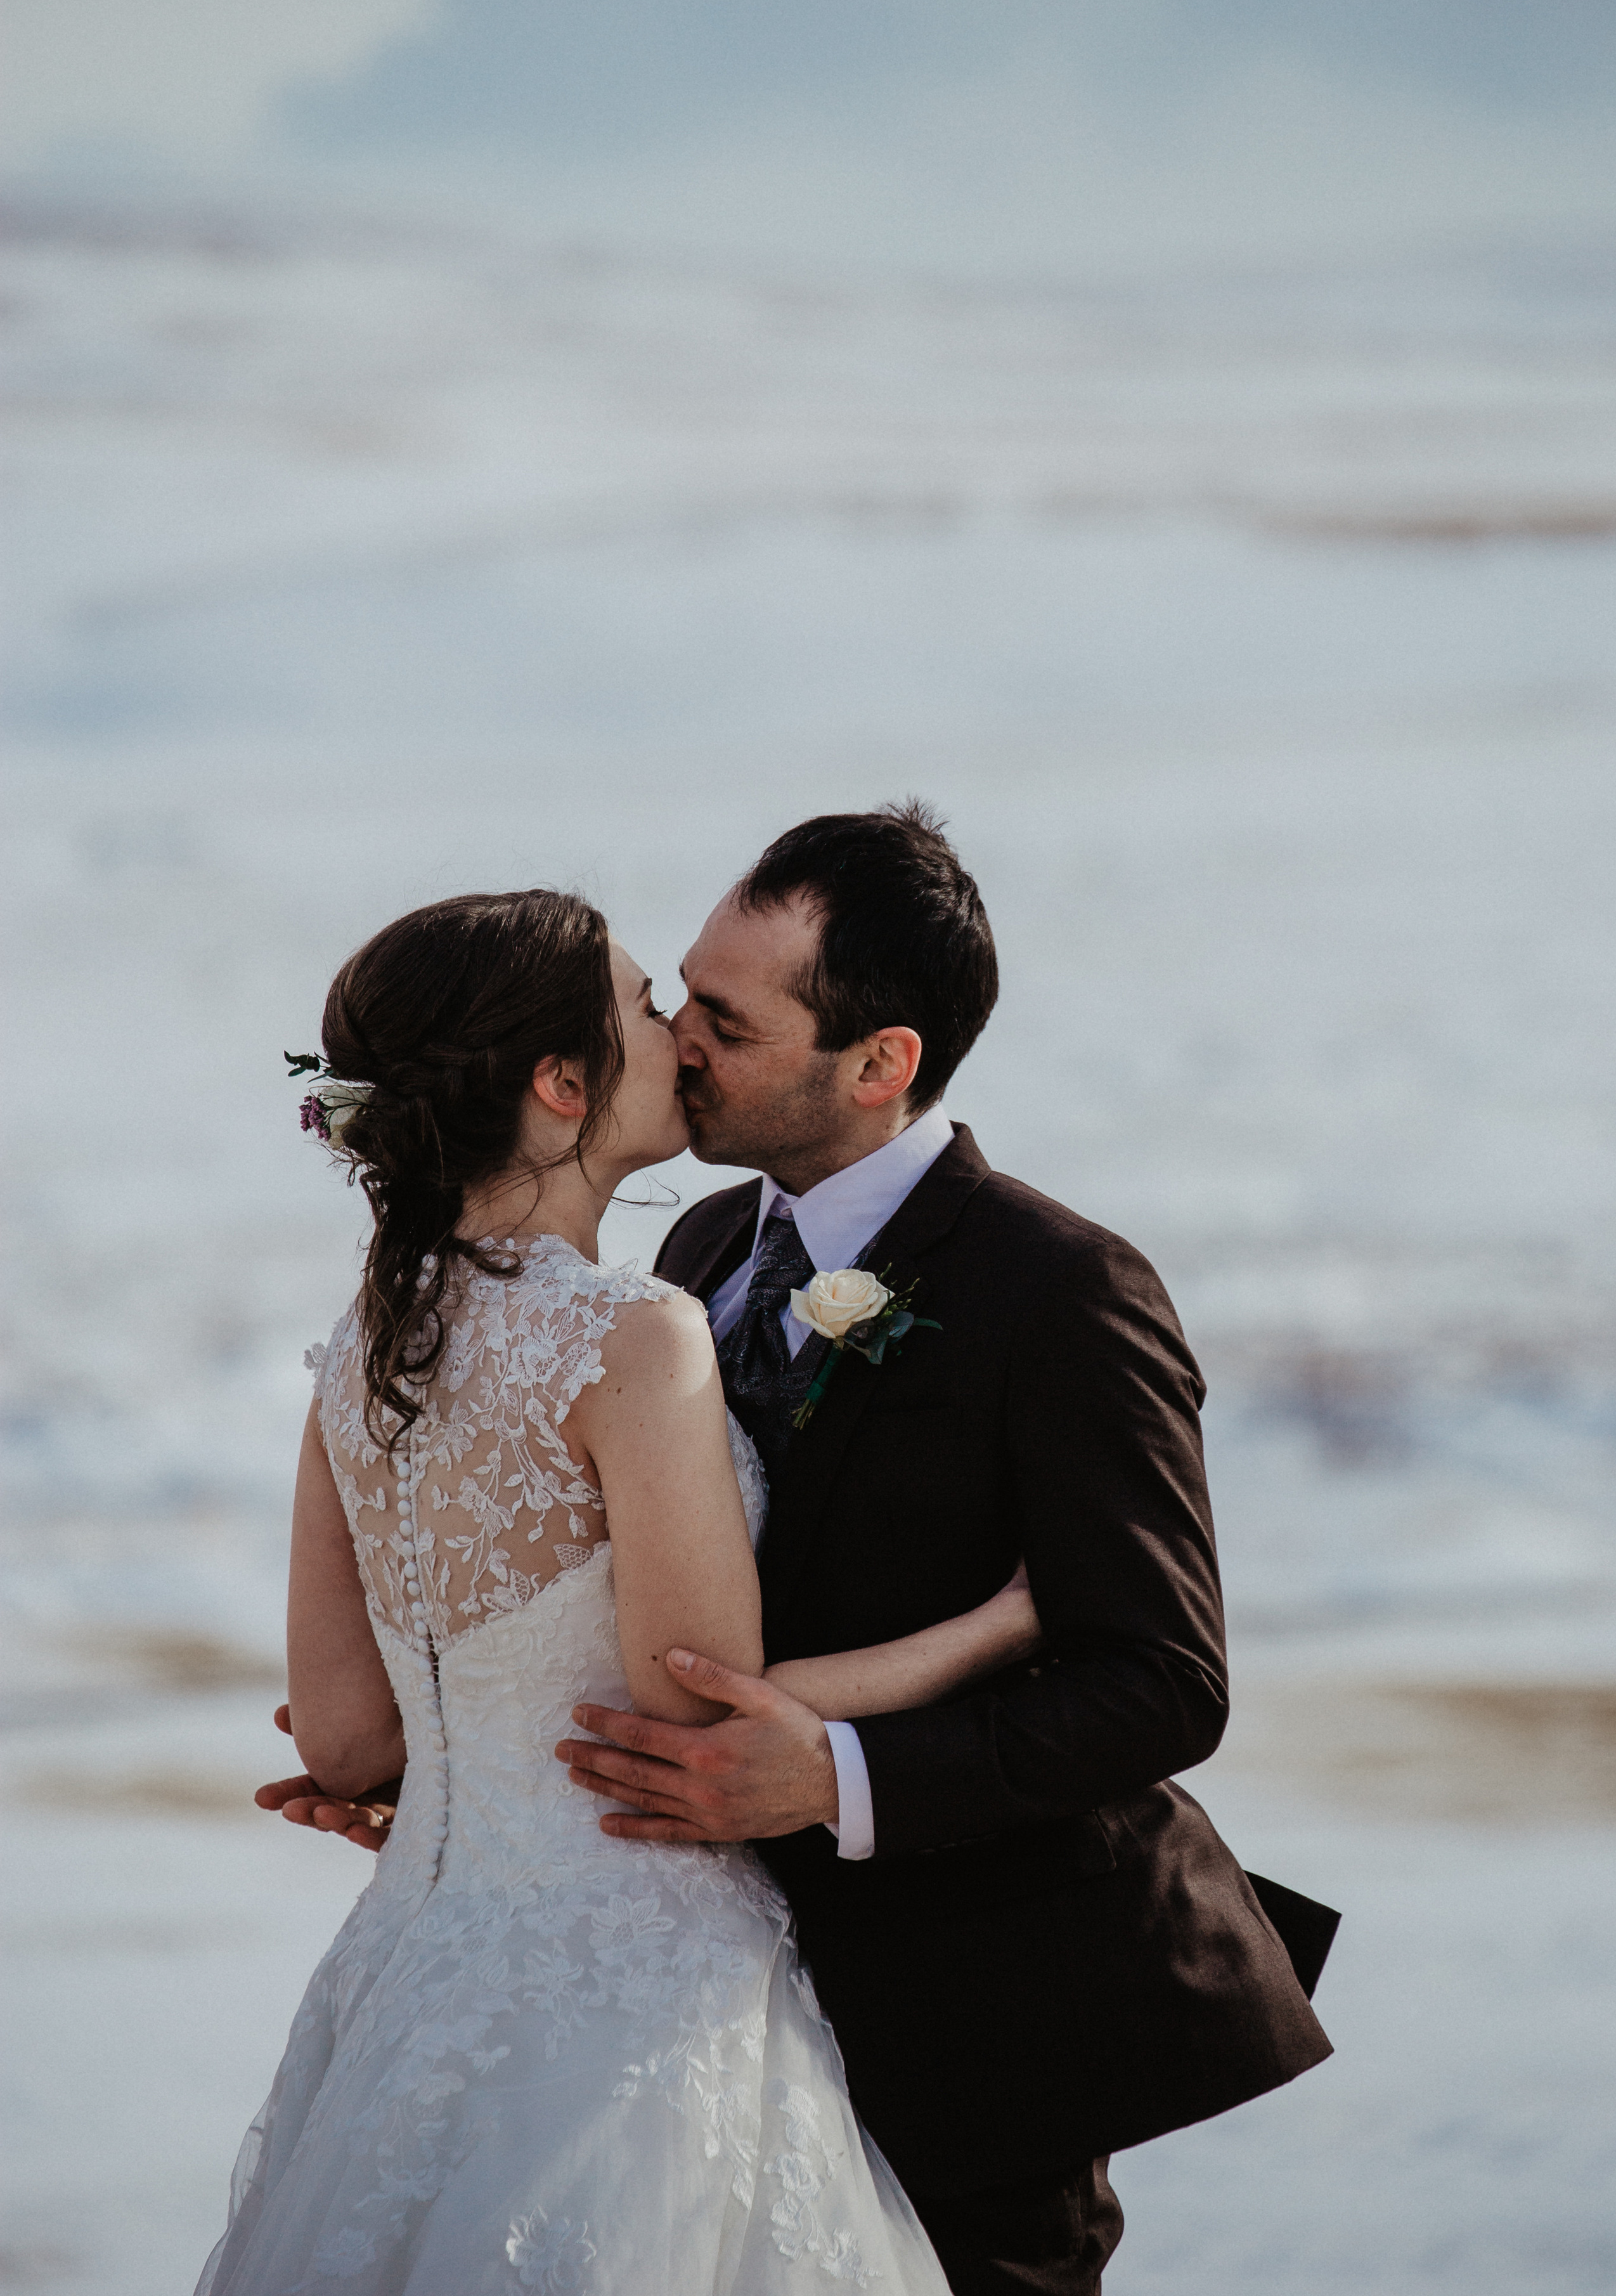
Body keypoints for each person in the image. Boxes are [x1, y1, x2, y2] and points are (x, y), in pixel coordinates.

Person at [257, 808, 1335, 2294]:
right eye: (675, 998)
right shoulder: (685, 1262)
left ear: (878, 1061)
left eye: (723, 1018)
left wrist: (837, 1776)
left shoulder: (1061, 1290)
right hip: (674, 2004)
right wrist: (463, 1768)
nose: (681, 1042)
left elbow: (1162, 1682)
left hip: (969, 2022)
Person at [203, 885, 1052, 2295]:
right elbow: (689, 1697)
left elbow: (348, 1747)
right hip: (629, 1982)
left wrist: (473, 1759)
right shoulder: (634, 1332)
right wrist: (986, 1631)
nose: (680, 1034)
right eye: (648, 1006)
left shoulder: (354, 1354)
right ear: (559, 1084)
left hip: (413, 1969)